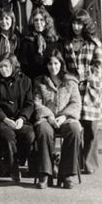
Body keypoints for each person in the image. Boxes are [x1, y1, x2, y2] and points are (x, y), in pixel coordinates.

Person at [34, 49, 82, 189]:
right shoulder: (40, 81)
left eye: (56, 63)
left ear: (61, 64)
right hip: (46, 119)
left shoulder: (70, 81)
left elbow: (76, 103)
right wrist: (49, 116)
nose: (53, 67)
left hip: (66, 118)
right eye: (50, 64)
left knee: (74, 129)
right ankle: (45, 173)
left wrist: (64, 116)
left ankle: (66, 174)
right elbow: (37, 103)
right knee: (43, 130)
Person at [63, 10, 102, 174]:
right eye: (74, 23)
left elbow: (99, 66)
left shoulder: (94, 43)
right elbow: (63, 64)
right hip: (73, 88)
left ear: (85, 25)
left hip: (90, 88)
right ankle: (76, 161)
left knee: (91, 127)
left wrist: (85, 74)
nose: (76, 27)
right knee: (74, 124)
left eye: (80, 23)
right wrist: (71, 78)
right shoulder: (67, 43)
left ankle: (89, 162)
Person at [0, 53, 34, 183]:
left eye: (6, 66)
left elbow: (29, 104)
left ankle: (16, 161)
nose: (3, 70)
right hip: (2, 120)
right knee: (7, 136)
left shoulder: (26, 81)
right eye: (0, 67)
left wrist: (22, 118)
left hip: (20, 120)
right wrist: (5, 119)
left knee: (29, 135)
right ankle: (13, 169)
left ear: (13, 65)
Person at [19, 7, 63, 79]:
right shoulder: (26, 41)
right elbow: (23, 65)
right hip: (33, 79)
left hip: (52, 78)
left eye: (42, 20)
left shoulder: (55, 41)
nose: (39, 23)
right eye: (36, 20)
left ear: (47, 21)